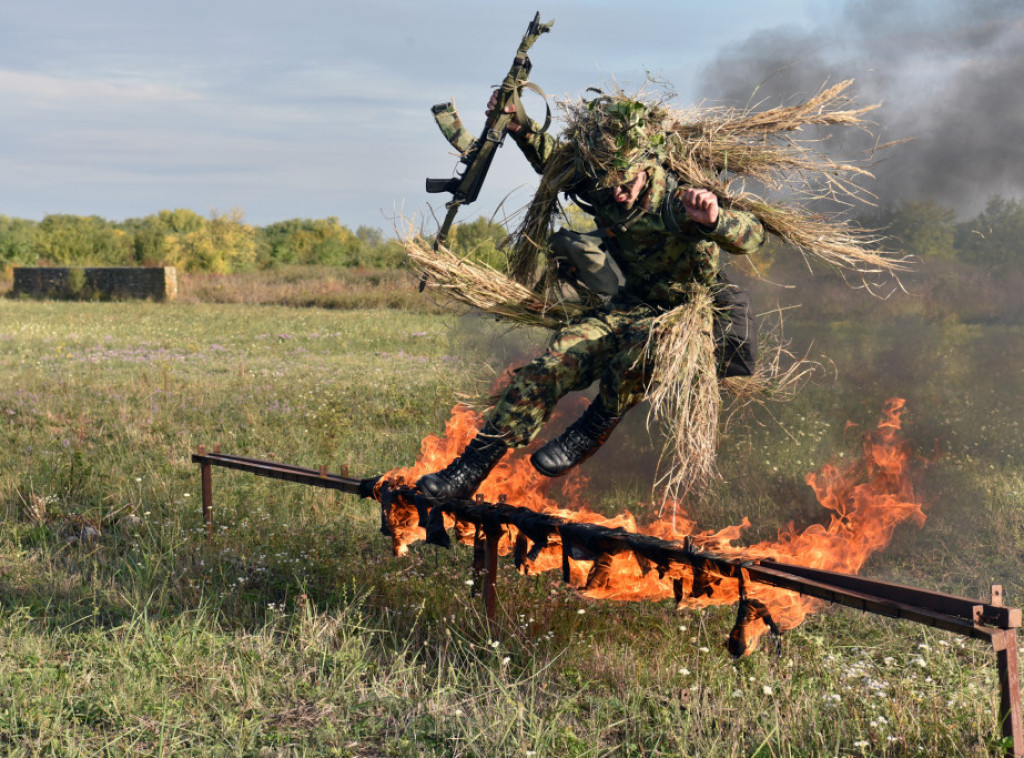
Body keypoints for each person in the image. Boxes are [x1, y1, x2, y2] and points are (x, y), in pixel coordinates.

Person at [416, 90, 766, 503]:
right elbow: (555, 160)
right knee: (550, 364)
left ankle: (590, 429)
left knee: (636, 354)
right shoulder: (603, 185)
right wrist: (517, 124)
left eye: (624, 184)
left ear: (645, 167)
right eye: (607, 186)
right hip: (631, 305)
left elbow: (753, 234)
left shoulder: (677, 201)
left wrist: (714, 219)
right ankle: (467, 471)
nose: (615, 194)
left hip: (682, 315)